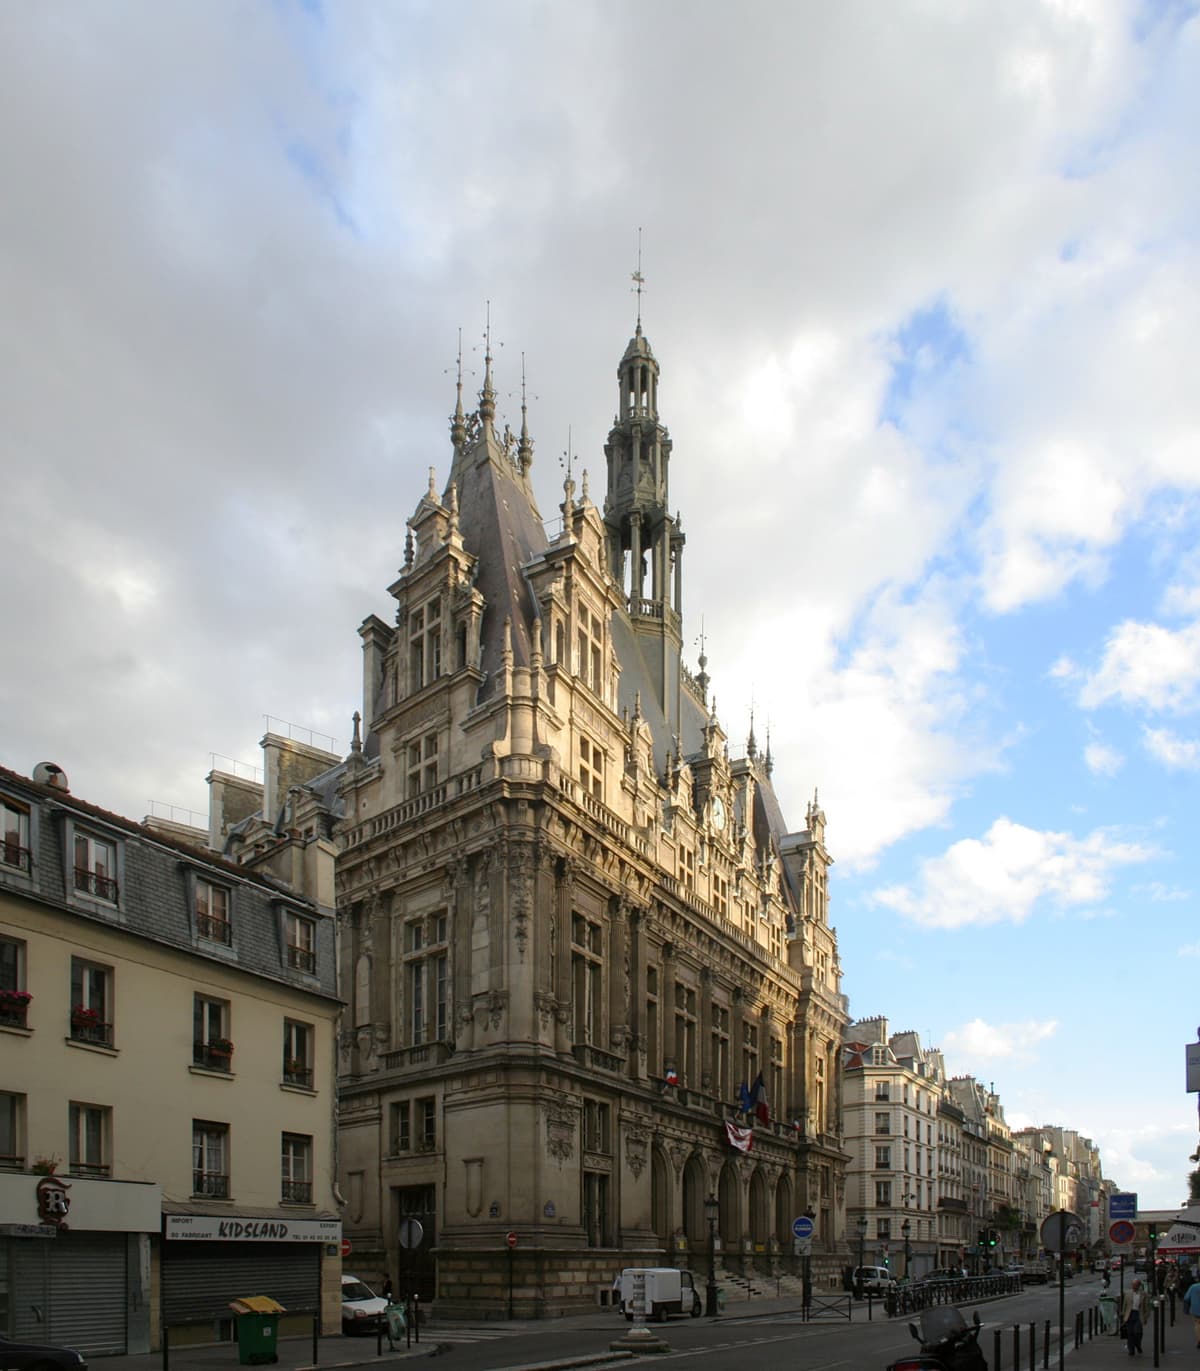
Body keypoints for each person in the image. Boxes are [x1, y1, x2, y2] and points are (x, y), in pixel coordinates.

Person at [1122, 1277, 1148, 1356]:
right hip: (1130, 1314)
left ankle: (1138, 1345)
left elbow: (1147, 1307)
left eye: (1135, 1285)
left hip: (1138, 1314)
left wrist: (1146, 1316)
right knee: (1130, 1333)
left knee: (1137, 1332)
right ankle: (1131, 1350)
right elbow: (1125, 1305)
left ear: (1139, 1286)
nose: (1133, 1286)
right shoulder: (1128, 1293)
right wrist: (1123, 1314)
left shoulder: (1143, 1294)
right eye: (1132, 1285)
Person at [1183, 1271, 1200, 1349]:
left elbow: (1186, 1298)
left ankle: (1199, 1340)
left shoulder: (1193, 1287)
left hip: (1196, 1309)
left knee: (1197, 1324)